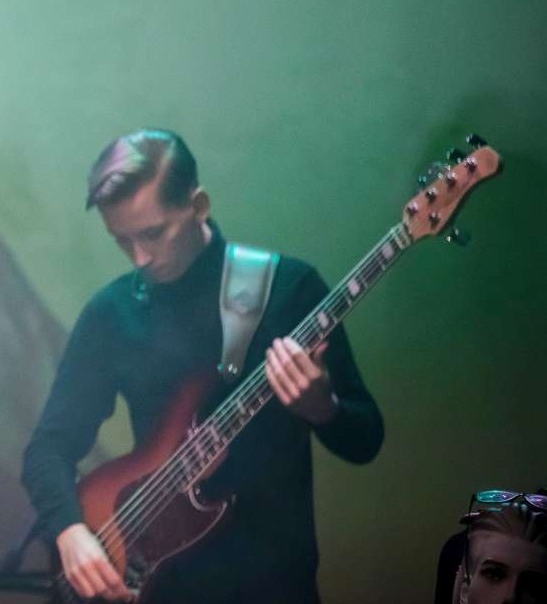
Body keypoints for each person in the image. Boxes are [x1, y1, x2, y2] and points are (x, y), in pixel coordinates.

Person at [20, 129, 385, 603]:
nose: (140, 257)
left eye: (153, 234)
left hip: (272, 589)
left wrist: (324, 408)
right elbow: (47, 449)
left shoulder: (288, 289)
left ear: (199, 205)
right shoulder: (111, 314)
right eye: (122, 240)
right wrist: (70, 531)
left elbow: (365, 439)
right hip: (156, 590)